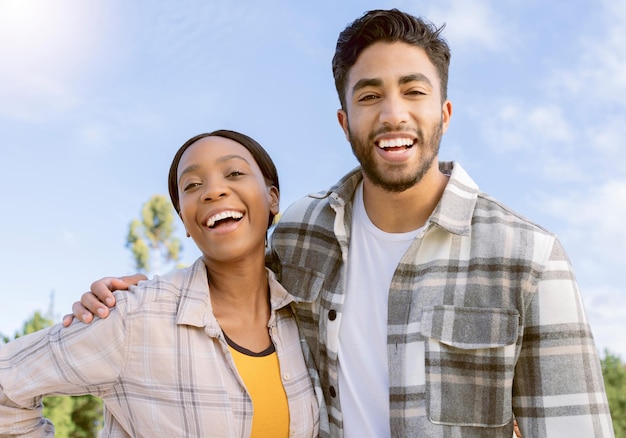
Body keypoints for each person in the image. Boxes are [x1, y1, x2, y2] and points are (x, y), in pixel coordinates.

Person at [66, 9, 614, 437]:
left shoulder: (530, 258)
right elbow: (222, 292)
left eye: (414, 91)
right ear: (344, 120)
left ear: (444, 112)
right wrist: (118, 301)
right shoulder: (298, 235)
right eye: (369, 95)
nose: (393, 113)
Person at [0, 130, 326, 437]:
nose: (213, 191)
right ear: (184, 219)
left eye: (234, 173)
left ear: (272, 199)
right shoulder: (133, 316)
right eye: (193, 185)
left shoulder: (308, 318)